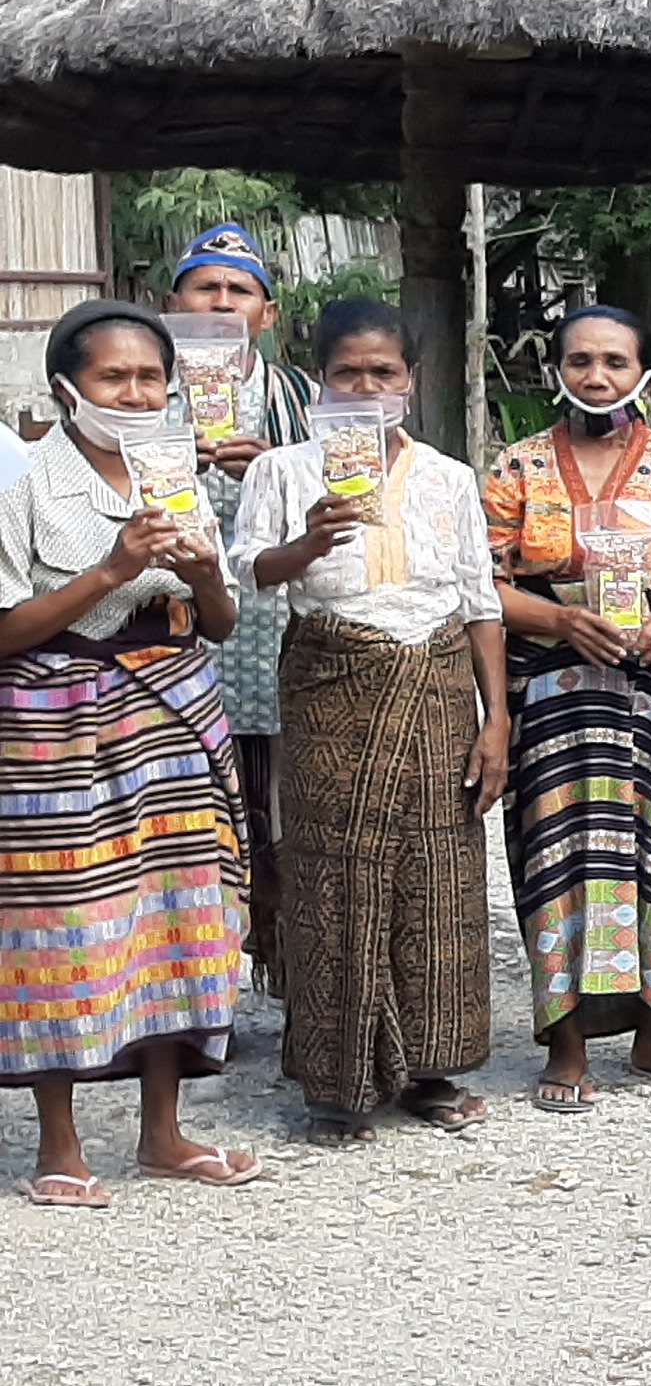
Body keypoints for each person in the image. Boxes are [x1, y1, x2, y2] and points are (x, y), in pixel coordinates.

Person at [225, 299, 509, 1143]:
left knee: (435, 873)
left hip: (435, 683)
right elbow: (253, 575)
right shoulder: (283, 471)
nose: (366, 388)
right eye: (348, 373)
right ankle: (336, 1079)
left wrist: (495, 721)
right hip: (330, 681)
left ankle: (428, 1066)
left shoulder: (450, 477)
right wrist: (309, 542)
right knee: (332, 875)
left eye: (383, 373)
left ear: (411, 383)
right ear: (319, 383)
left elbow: (479, 601)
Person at [0, 302, 261, 1204]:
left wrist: (197, 575)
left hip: (177, 711)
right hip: (56, 720)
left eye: (151, 376)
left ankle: (163, 1132)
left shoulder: (176, 469)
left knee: (181, 916)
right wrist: (112, 569)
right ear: (66, 386)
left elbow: (221, 622)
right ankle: (58, 1145)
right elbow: (4, 629)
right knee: (60, 924)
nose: (136, 392)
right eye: (114, 377)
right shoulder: (25, 476)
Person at [480, 306, 651, 1112]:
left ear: (644, 375)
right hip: (558, 688)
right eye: (581, 361)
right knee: (559, 855)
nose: (597, 376)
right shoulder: (518, 468)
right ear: (557, 370)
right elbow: (480, 586)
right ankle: (565, 1042)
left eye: (615, 363)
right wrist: (561, 619)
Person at [161, 223, 316, 988]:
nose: (221, 302)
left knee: (285, 815)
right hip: (173, 644)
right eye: (205, 287)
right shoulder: (137, 397)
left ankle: (289, 978)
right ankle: (194, 991)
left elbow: (357, 507)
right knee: (187, 820)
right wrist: (163, 466)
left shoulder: (303, 401)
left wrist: (282, 467)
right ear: (172, 304)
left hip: (276, 638)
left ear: (267, 313)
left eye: (239, 291)